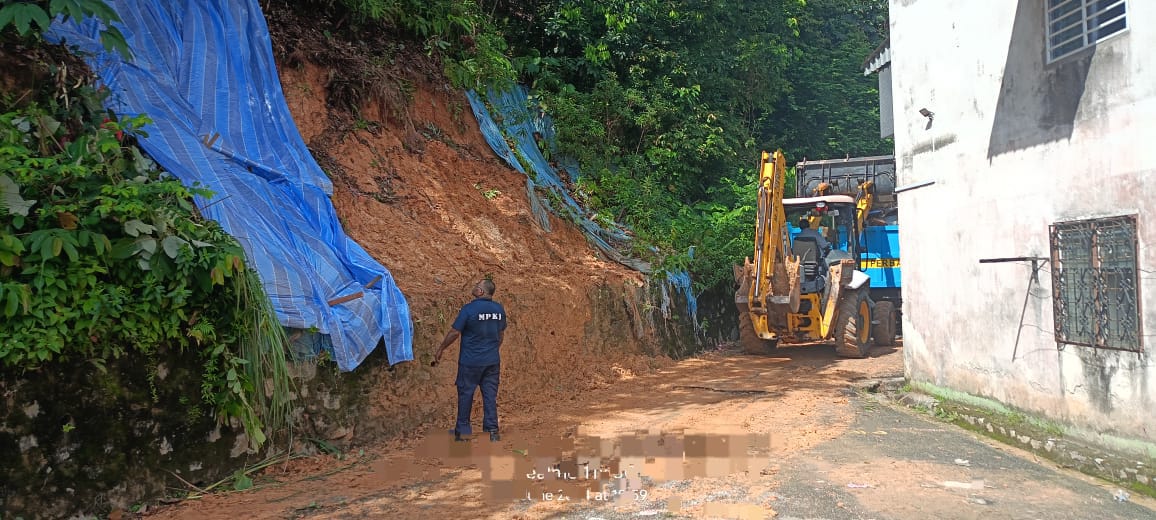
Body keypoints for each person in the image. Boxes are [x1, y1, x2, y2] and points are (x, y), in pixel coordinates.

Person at [434, 279, 508, 442]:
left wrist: (441, 348)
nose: (474, 288)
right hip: (492, 361)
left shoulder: (469, 309)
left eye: (477, 286)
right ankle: (493, 431)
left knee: (466, 394)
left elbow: (454, 333)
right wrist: (493, 350)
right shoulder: (499, 310)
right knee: (490, 395)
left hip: (470, 362)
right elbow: (500, 334)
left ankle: (463, 432)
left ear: (481, 292)